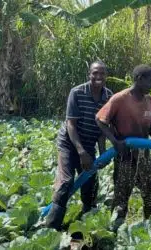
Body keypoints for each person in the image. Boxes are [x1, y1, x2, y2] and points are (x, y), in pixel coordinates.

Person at [95, 64, 151, 232]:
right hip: (124, 154)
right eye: (150, 80)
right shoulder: (119, 99)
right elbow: (100, 120)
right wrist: (115, 142)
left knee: (149, 192)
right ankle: (115, 230)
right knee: (121, 195)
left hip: (143, 154)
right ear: (139, 79)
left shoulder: (149, 101)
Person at [46, 61, 113, 231]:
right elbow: (71, 125)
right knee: (67, 182)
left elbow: (102, 128)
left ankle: (86, 219)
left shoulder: (108, 96)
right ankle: (51, 228)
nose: (98, 77)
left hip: (88, 144)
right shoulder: (77, 92)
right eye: (95, 73)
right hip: (69, 143)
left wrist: (103, 152)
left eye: (102, 74)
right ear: (89, 74)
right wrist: (81, 151)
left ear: (106, 76)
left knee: (90, 185)